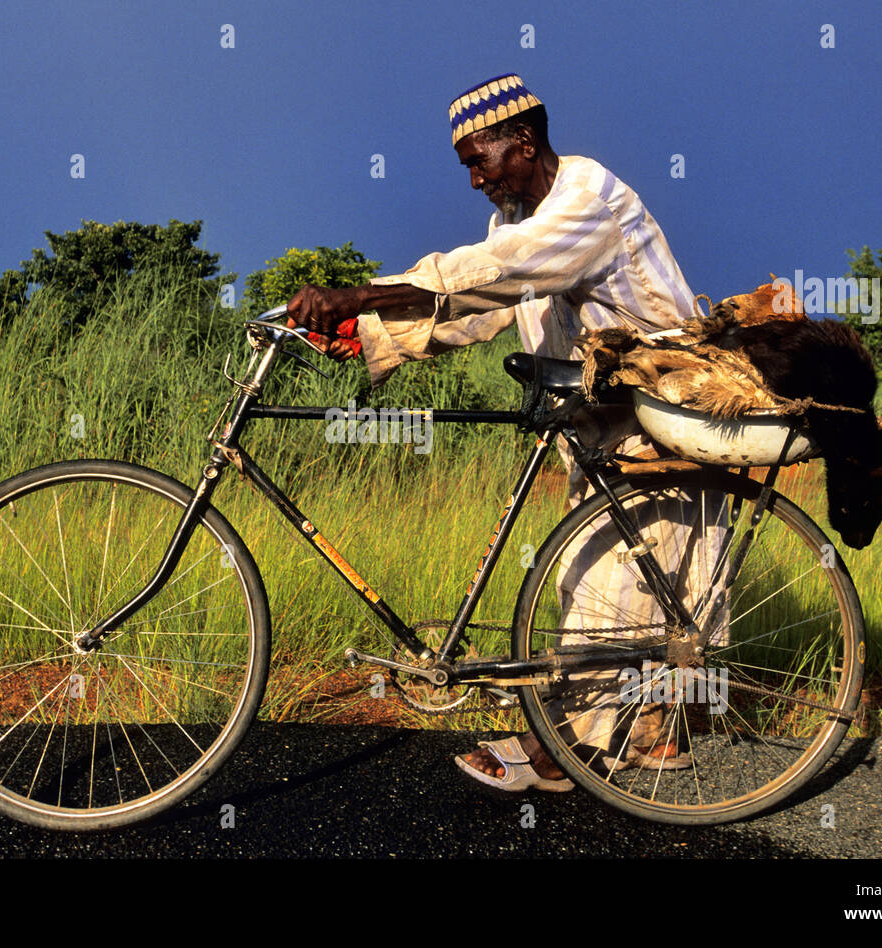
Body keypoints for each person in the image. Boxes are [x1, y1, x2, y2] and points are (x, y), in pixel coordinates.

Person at [286, 74, 713, 790]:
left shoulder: (587, 198)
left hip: (658, 411)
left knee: (609, 580)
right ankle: (651, 732)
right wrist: (367, 333)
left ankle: (554, 751)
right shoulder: (516, 216)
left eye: (479, 160)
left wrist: (360, 293)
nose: (477, 179)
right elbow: (477, 306)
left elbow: (502, 270)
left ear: (524, 140)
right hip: (594, 417)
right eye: (468, 168)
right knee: (624, 573)